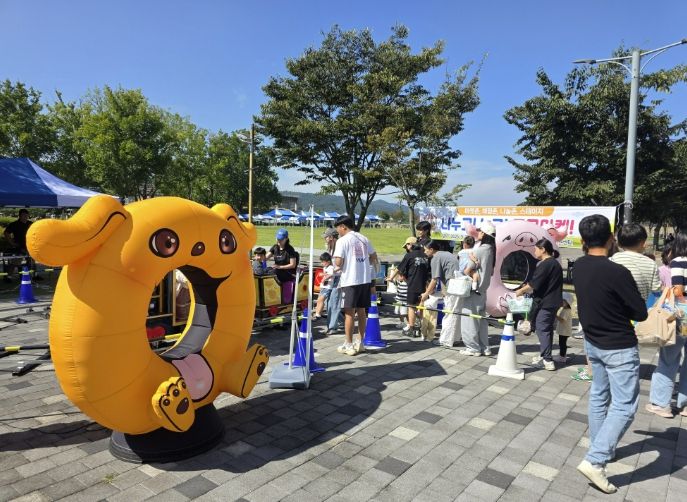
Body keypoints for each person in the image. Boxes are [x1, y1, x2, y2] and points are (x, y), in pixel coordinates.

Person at [573, 214, 647, 494]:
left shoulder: (579, 266)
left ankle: (599, 445)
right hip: (618, 345)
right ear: (611, 238)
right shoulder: (617, 272)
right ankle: (596, 459)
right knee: (625, 405)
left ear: (583, 240)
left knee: (599, 395)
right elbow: (640, 312)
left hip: (593, 341)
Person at [646, 231, 687, 418]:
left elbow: (678, 290)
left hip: (682, 315)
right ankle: (685, 405)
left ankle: (661, 404)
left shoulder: (679, 261)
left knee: (669, 358)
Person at [514, 238, 563, 371]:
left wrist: (520, 291)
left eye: (536, 249)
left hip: (546, 302)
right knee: (546, 329)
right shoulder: (554, 263)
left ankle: (547, 360)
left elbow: (534, 283)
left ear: (543, 250)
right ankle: (546, 356)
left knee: (542, 329)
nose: (534, 251)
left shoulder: (546, 264)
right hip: (552, 301)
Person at [332, 215, 378, 356]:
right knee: (362, 311)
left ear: (343, 227)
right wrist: (362, 264)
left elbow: (338, 262)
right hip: (364, 279)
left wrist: (340, 263)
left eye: (338, 228)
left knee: (349, 313)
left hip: (350, 280)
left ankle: (349, 343)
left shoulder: (342, 241)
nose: (337, 231)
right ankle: (360, 341)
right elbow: (374, 256)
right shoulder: (363, 238)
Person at [459, 221, 496, 356]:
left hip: (474, 290)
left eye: (480, 231)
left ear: (484, 234)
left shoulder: (479, 250)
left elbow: (467, 270)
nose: (478, 233)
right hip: (483, 289)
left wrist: (473, 270)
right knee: (481, 321)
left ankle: (473, 348)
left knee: (469, 319)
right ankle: (485, 347)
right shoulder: (492, 250)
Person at [420, 240, 459, 345]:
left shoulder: (436, 258)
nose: (424, 252)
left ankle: (445, 340)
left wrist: (426, 294)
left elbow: (434, 279)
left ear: (431, 249)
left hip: (452, 286)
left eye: (425, 250)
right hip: (457, 285)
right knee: (455, 313)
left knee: (449, 313)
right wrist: (443, 290)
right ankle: (454, 338)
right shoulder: (446, 253)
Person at [610, 223, 661, 301]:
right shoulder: (651, 264)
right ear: (642, 242)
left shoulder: (612, 260)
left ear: (619, 243)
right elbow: (656, 289)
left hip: (615, 306)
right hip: (640, 306)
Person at [397, 236, 429, 336]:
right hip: (424, 285)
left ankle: (411, 328)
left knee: (411, 306)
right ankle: (422, 328)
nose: (406, 248)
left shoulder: (409, 255)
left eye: (407, 245)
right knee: (421, 307)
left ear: (411, 245)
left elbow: (400, 270)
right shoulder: (426, 255)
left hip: (413, 284)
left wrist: (392, 278)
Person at [266, 228, 298, 304]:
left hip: (288, 273)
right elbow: (266, 257)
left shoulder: (290, 249)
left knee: (272, 273)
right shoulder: (275, 247)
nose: (279, 241)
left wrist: (280, 267)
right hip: (277, 270)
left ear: (286, 239)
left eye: (281, 239)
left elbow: (293, 265)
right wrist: (259, 257)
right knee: (266, 271)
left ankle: (276, 298)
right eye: (278, 239)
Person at [2, 209, 35, 282]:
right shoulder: (14, 224)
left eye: (27, 215)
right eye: (24, 215)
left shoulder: (31, 224)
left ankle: (33, 275)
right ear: (19, 216)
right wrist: (12, 243)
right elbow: (6, 233)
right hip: (18, 246)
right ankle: (9, 277)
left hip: (29, 246)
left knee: (32, 261)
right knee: (15, 262)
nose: (25, 217)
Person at [323, 227, 343, 335]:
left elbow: (342, 265)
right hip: (331, 278)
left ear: (331, 237)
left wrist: (332, 271)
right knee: (328, 302)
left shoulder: (339, 248)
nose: (324, 239)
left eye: (326, 237)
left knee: (333, 302)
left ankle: (332, 327)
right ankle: (342, 321)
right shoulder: (329, 248)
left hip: (338, 278)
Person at [553, 292, 573, 364]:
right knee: (562, 343)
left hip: (564, 331)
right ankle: (562, 354)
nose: (561, 302)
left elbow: (562, 320)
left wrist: (555, 315)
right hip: (563, 331)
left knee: (562, 344)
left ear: (568, 302)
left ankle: (562, 357)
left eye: (563, 301)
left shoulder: (566, 310)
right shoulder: (565, 309)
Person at [313, 252, 334, 320]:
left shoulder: (330, 267)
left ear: (328, 262)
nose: (321, 263)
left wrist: (324, 277)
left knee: (321, 300)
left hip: (327, 287)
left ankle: (318, 314)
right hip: (323, 286)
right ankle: (318, 313)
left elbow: (331, 274)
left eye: (323, 262)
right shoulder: (325, 267)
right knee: (320, 300)